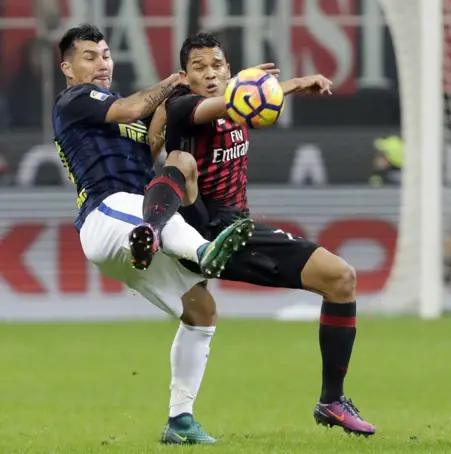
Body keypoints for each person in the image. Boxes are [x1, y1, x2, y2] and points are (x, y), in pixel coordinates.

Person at [134, 32, 376, 438]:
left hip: (237, 232)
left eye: (217, 66)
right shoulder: (182, 107)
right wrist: (278, 85)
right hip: (203, 229)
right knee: (181, 160)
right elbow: (233, 102)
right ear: (184, 76)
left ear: (228, 69)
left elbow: (242, 101)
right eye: (199, 68)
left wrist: (277, 87)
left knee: (340, 279)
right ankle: (152, 230)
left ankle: (331, 401)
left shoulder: (239, 100)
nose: (210, 74)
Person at [52, 24, 253, 445]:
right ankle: (204, 251)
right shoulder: (76, 100)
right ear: (67, 67)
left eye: (106, 54)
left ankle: (180, 421)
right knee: (152, 214)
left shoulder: (120, 112)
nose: (102, 63)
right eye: (90, 56)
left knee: (201, 312)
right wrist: (173, 82)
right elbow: (131, 108)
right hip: (106, 215)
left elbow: (153, 136)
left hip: (135, 226)